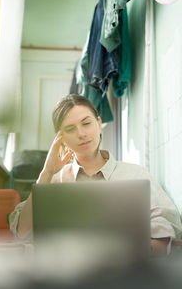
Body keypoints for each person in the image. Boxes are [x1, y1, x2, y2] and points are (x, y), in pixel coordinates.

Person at [9, 94, 182, 256]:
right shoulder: (52, 182)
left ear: (99, 124)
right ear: (61, 138)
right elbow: (22, 233)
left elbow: (166, 228)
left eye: (86, 123)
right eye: (70, 129)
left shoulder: (136, 175)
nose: (81, 134)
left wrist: (130, 250)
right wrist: (46, 173)